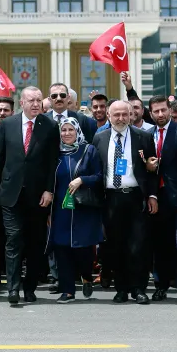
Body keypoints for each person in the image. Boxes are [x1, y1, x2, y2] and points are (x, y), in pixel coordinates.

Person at [0, 86, 59, 304]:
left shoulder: (50, 126)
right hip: (11, 193)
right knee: (13, 240)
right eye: (31, 100)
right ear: (22, 103)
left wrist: (49, 190)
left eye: (39, 100)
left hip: (38, 196)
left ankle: (30, 287)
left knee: (35, 243)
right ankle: (13, 288)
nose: (36, 104)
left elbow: (52, 162)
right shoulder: (8, 124)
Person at [93, 100, 158, 304]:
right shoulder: (99, 138)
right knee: (115, 245)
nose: (120, 118)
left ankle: (138, 288)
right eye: (116, 115)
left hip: (136, 197)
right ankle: (121, 288)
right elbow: (96, 170)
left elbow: (152, 169)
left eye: (124, 114)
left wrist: (152, 195)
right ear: (109, 116)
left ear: (131, 115)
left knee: (138, 245)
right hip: (111, 198)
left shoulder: (143, 137)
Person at [48, 118, 103, 303]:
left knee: (83, 249)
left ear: (77, 131)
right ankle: (68, 290)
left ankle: (86, 276)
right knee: (62, 248)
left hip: (83, 208)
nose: (67, 133)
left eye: (71, 129)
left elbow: (99, 176)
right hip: (61, 209)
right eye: (63, 130)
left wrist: (82, 180)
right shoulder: (55, 153)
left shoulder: (88, 150)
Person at [148, 95, 177, 305]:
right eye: (156, 111)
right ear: (151, 114)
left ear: (169, 110)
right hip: (157, 198)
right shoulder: (147, 135)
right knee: (160, 244)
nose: (160, 114)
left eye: (163, 110)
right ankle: (161, 285)